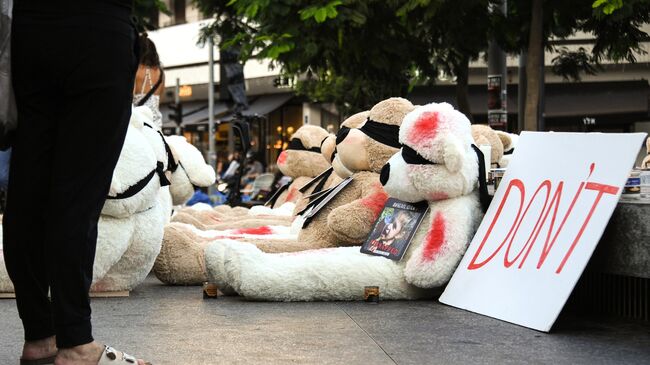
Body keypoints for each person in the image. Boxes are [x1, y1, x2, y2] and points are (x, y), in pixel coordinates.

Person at [6, 1, 149, 364]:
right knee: (79, 198)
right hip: (97, 27)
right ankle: (75, 343)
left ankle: (39, 336)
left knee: (28, 190)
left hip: (29, 30)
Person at [133, 33, 164, 128]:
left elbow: (129, 97)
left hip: (140, 123)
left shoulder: (136, 70)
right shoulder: (161, 73)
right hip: (156, 124)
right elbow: (160, 99)